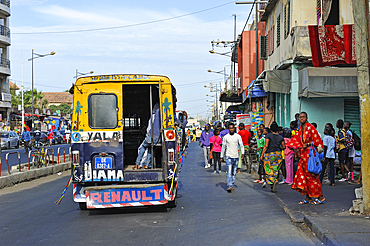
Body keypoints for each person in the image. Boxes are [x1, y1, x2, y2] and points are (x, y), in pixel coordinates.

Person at [286, 112, 325, 205]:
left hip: (310, 156)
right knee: (303, 177)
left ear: (306, 118)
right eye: (300, 117)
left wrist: (307, 144)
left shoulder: (311, 127)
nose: (301, 119)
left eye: (303, 117)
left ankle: (320, 197)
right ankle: (308, 198)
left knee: (312, 177)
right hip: (303, 156)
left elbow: (317, 140)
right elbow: (297, 140)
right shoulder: (300, 129)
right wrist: (290, 145)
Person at [134, 103, 161, 169]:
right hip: (158, 138)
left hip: (151, 135)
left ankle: (137, 164)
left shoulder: (154, 116)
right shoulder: (164, 114)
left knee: (143, 147)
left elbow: (149, 128)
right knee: (150, 149)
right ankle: (146, 164)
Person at [260, 122, 285, 193]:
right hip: (278, 154)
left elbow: (266, 146)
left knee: (268, 170)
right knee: (275, 169)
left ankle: (273, 182)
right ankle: (274, 181)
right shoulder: (280, 137)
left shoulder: (268, 136)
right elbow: (283, 147)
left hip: (269, 154)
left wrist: (262, 155)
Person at [221, 123, 244, 193]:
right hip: (228, 157)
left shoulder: (238, 136)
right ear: (228, 129)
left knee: (234, 172)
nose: (231, 129)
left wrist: (243, 153)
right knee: (229, 171)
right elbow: (223, 147)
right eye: (230, 128)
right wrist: (221, 156)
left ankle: (232, 183)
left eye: (232, 128)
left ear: (234, 129)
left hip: (236, 156)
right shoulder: (225, 137)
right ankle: (229, 186)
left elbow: (241, 145)